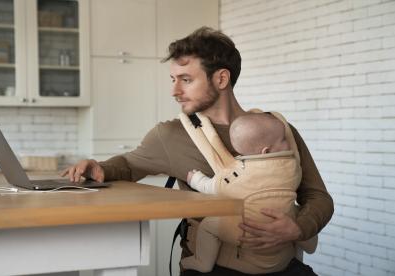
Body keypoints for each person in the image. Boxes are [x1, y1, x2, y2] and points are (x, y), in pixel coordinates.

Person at [62, 27, 334, 275]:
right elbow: (127, 165)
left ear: (221, 78)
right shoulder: (170, 136)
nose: (174, 91)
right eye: (173, 79)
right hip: (213, 267)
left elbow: (318, 197)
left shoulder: (277, 130)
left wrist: (298, 227)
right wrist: (97, 167)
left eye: (185, 79)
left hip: (282, 265)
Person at [181, 112, 304, 273]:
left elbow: (213, 187)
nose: (288, 142)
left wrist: (195, 179)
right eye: (284, 140)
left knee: (208, 226)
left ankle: (202, 261)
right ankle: (307, 241)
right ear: (265, 151)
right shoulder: (293, 168)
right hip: (284, 227)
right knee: (300, 213)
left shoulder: (238, 175)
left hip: (247, 231)